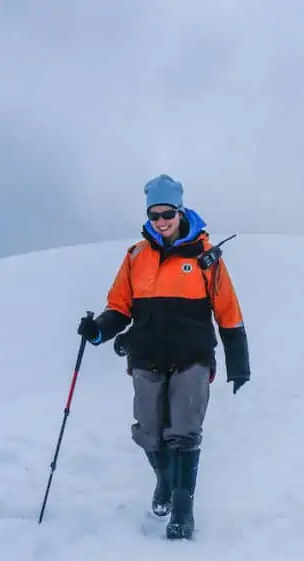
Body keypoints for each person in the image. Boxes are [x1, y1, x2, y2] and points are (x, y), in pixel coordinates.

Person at [76, 173, 250, 540]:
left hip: (193, 357)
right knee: (150, 433)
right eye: (154, 215)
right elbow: (119, 307)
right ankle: (164, 482)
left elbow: (228, 310)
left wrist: (239, 364)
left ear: (179, 210)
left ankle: (183, 510)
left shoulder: (206, 258)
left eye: (167, 213)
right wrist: (99, 330)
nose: (161, 222)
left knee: (183, 433)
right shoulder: (136, 257)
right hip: (147, 356)